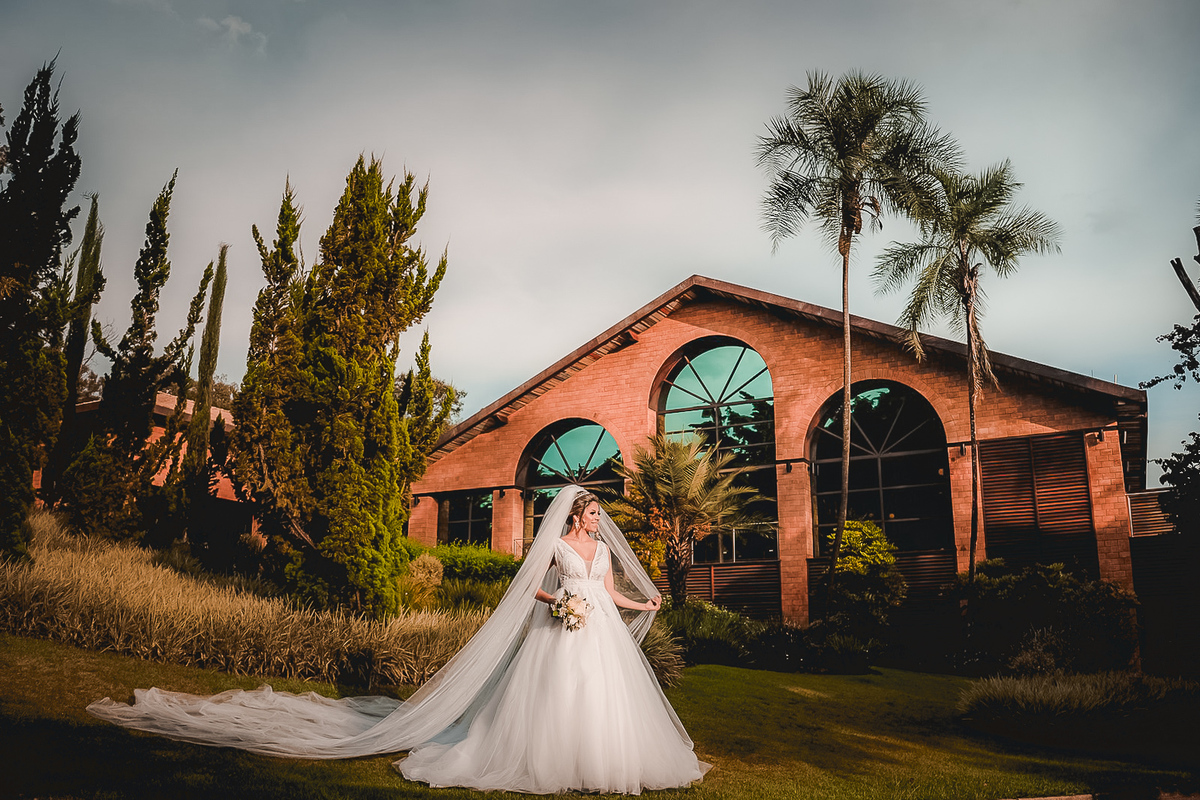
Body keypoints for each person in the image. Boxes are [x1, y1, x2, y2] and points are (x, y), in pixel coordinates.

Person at [88, 485, 709, 794]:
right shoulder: (555, 547)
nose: (598, 522)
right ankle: (551, 762)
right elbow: (531, 592)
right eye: (593, 515)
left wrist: (644, 601)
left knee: (602, 698)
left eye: (599, 517)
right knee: (557, 698)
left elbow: (610, 593)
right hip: (562, 629)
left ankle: (601, 764)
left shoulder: (602, 552)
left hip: (600, 633)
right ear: (574, 516)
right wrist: (562, 601)